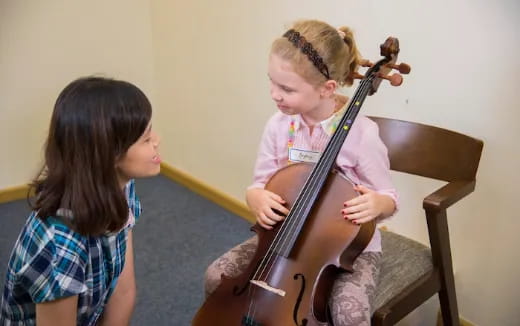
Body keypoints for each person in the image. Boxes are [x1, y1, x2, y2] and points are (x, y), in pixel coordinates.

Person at [204, 19, 398, 325]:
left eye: (286, 88)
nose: (274, 94)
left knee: (349, 314)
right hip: (283, 238)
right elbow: (260, 184)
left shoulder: (362, 135)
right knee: (216, 276)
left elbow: (389, 198)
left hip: (346, 249)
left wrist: (377, 204)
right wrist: (255, 198)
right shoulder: (279, 126)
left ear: (327, 89)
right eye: (272, 82)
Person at [0, 76, 161, 326]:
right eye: (146, 139)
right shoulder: (60, 248)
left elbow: (124, 291)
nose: (157, 141)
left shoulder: (121, 187)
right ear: (109, 153)